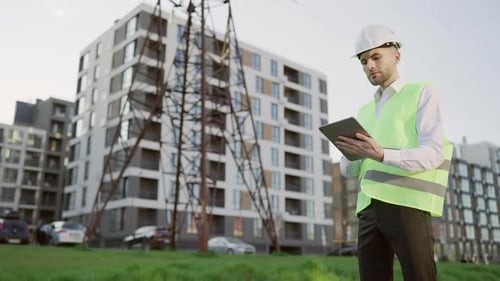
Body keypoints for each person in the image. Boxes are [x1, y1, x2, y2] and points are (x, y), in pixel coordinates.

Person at [335, 24, 453, 281]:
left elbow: (434, 153)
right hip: (368, 210)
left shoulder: (422, 92)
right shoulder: (364, 111)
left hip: (407, 206)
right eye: (364, 61)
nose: (370, 66)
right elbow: (349, 171)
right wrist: (349, 154)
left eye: (376, 57)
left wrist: (382, 155)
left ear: (396, 56)